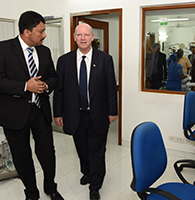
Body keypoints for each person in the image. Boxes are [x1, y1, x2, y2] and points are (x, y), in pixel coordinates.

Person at [0, 11, 64, 200]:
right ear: (27, 32)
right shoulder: (3, 49)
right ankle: (31, 192)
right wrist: (24, 86)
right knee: (22, 156)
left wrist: (45, 86)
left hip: (40, 111)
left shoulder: (44, 51)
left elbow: (53, 77)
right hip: (14, 113)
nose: (44, 35)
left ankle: (50, 187)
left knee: (47, 152)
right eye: (41, 31)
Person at [53, 23, 118, 200]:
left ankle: (95, 186)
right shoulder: (64, 61)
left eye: (86, 35)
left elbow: (111, 88)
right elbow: (59, 90)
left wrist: (113, 111)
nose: (82, 38)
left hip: (98, 114)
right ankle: (87, 172)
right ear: (74, 37)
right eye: (79, 35)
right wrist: (57, 113)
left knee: (97, 150)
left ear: (92, 38)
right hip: (75, 115)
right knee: (82, 149)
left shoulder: (105, 59)